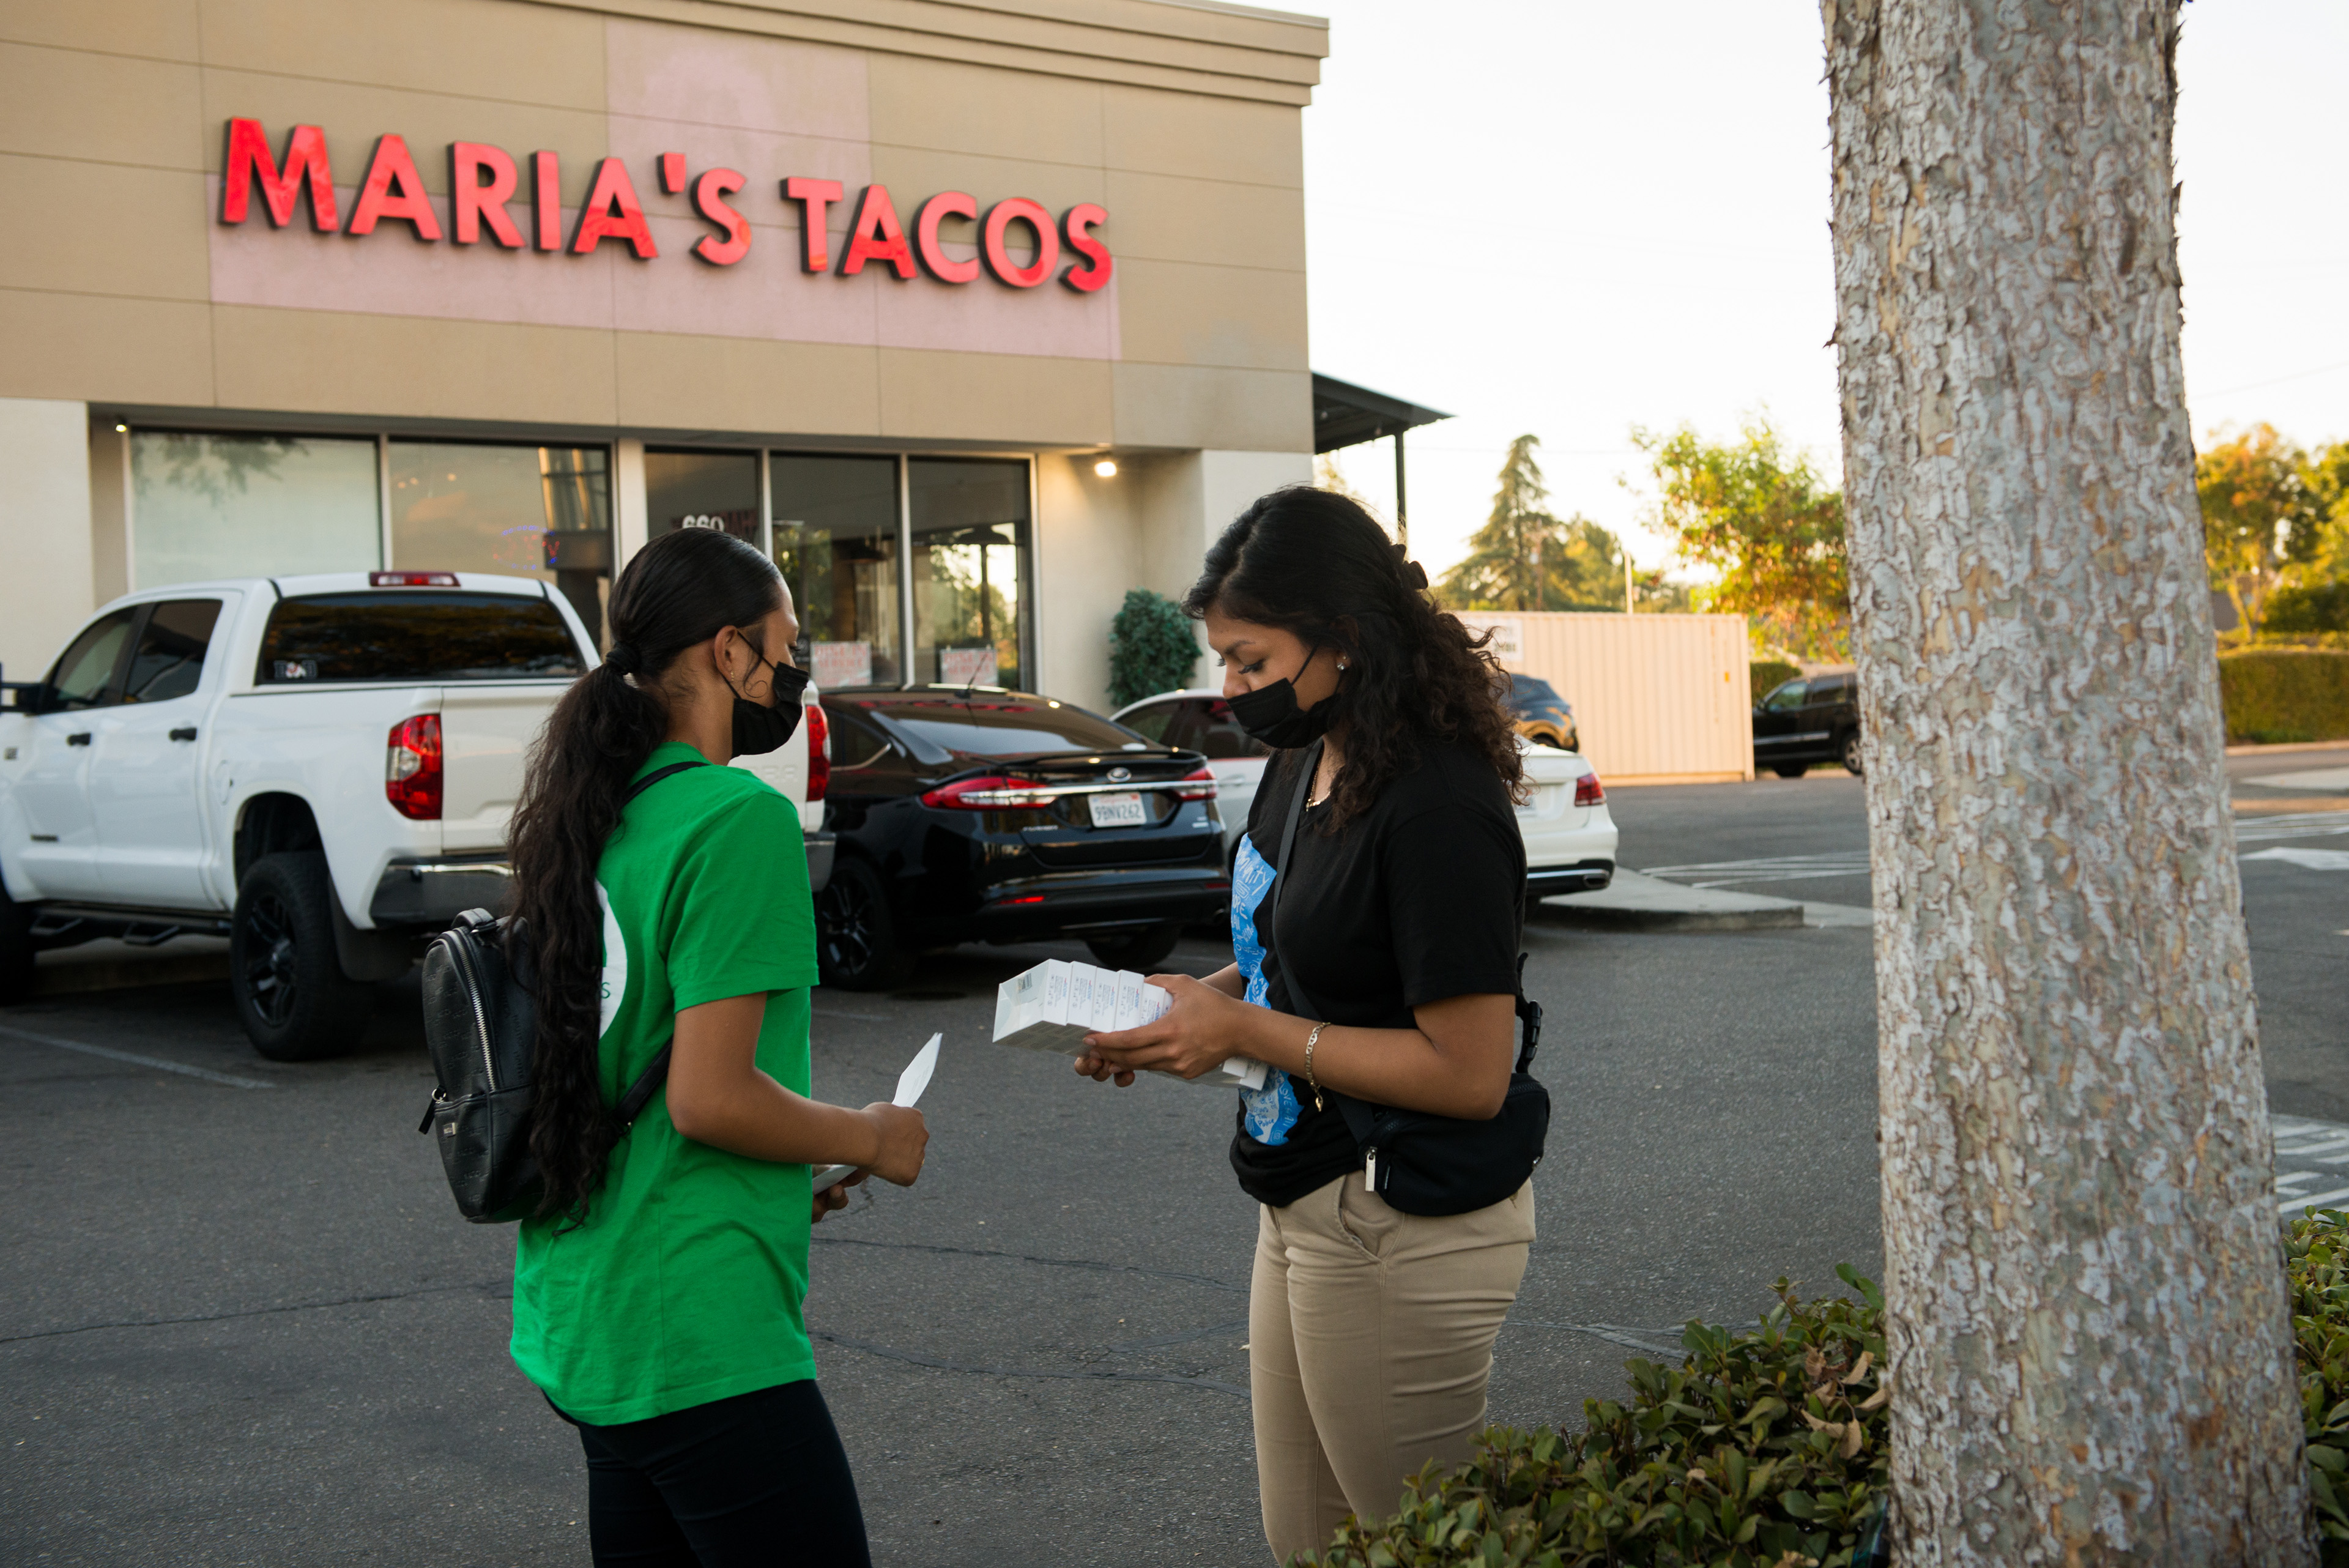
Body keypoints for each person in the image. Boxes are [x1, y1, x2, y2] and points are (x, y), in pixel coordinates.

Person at [1074, 487, 1535, 1564]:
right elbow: (1294, 951)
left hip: (1401, 1219)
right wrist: (1181, 1006)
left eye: (1250, 661)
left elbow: (1473, 1074)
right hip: (1302, 1203)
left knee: (1419, 1552)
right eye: (1224, 662)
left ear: (1342, 641)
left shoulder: (1438, 804)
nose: (1229, 689)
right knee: (1312, 1548)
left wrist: (1246, 1033)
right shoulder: (1305, 760)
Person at [505, 527, 928, 1567]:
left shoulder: (600, 809)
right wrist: (872, 1137)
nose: (793, 674)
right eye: (785, 648)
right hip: (697, 1332)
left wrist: (796, 1168)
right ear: (726, 652)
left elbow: (635, 1063)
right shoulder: (736, 819)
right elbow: (709, 1099)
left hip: (587, 1309)